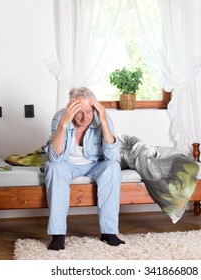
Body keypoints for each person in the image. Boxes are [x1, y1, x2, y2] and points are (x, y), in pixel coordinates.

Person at [43, 87, 125, 250]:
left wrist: (103, 120)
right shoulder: (60, 117)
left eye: (89, 112)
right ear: (71, 109)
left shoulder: (101, 117)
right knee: (54, 168)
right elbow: (55, 157)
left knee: (113, 167)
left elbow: (111, 156)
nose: (85, 117)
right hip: (67, 164)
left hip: (95, 163)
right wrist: (64, 124)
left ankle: (109, 233)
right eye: (79, 112)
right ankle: (58, 235)